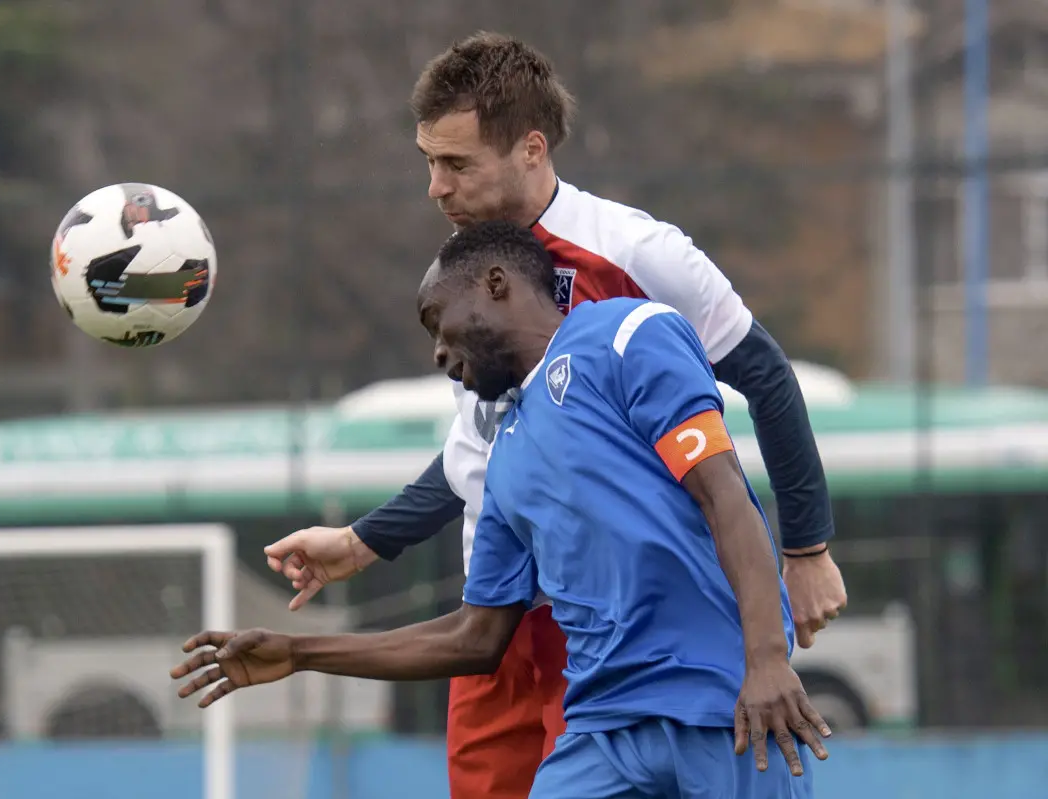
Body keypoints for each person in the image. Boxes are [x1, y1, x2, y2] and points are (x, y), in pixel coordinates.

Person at [268, 32, 847, 799]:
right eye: (428, 163)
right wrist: (363, 540)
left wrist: (806, 548)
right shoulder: (467, 287)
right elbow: (479, 455)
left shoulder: (638, 255)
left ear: (531, 149)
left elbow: (767, 377)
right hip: (497, 613)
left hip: (608, 624)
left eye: (456, 164)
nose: (435, 188)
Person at [172, 222, 831, 798]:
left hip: (724, 708)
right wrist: (298, 650)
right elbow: (474, 636)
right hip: (599, 732)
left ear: (495, 282)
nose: (436, 351)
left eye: (437, 320)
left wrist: (767, 662)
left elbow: (725, 496)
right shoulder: (503, 456)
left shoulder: (630, 331)